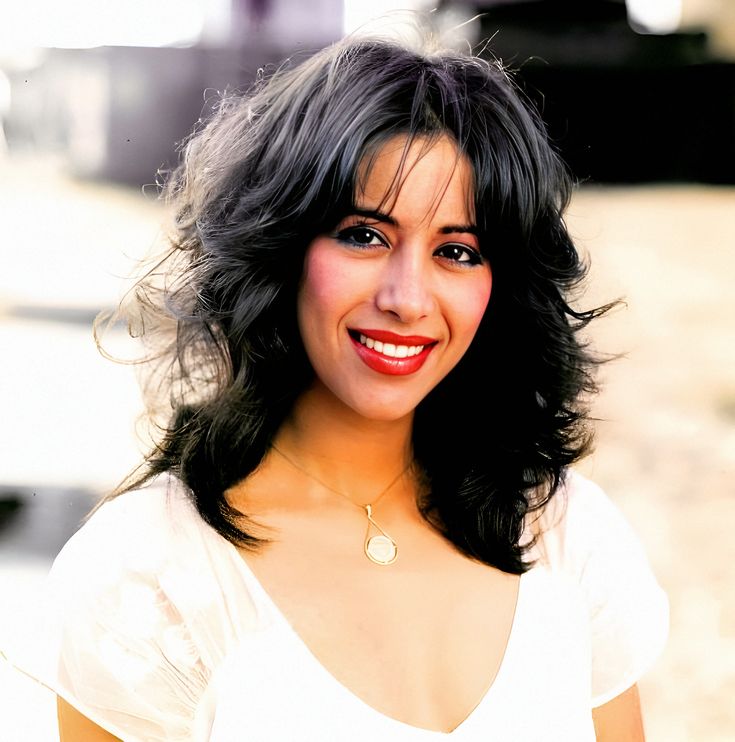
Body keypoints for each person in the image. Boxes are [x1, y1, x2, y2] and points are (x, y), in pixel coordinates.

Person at [5, 28, 668, 742]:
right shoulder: (146, 576)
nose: (407, 298)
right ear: (279, 245)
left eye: (456, 251)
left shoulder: (566, 532)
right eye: (364, 235)